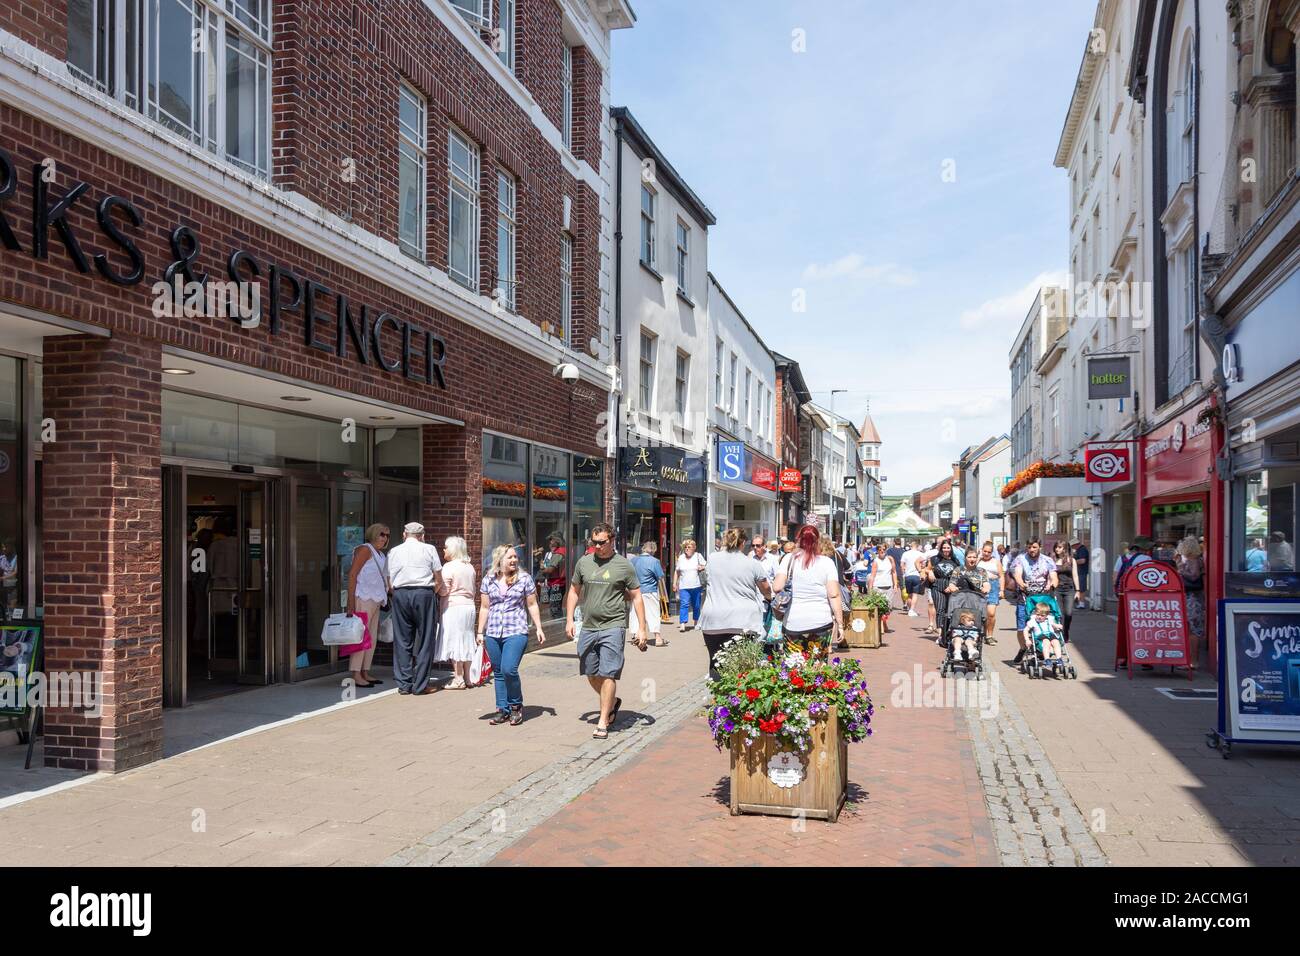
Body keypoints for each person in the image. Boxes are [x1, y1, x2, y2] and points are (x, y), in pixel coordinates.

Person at [567, 522, 647, 739]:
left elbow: (637, 596)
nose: (597, 546)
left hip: (614, 625)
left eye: (601, 542)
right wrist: (569, 620)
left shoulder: (623, 565)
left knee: (608, 673)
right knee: (591, 673)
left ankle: (603, 721)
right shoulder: (584, 562)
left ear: (612, 541)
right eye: (594, 543)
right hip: (589, 626)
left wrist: (641, 628)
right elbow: (574, 592)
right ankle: (611, 702)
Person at [477, 545, 546, 725]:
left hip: (516, 631)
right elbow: (485, 607)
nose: (514, 560)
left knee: (509, 669)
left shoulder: (524, 579)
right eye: (510, 557)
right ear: (500, 560)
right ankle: (502, 709)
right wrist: (479, 631)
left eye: (515, 557)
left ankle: (515, 706)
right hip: (493, 632)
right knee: (498, 672)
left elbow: (531, 604)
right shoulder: (488, 579)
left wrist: (538, 627)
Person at [698, 527, 773, 679]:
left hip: (714, 619)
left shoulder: (712, 559)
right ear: (743, 543)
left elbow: (704, 578)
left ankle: (719, 695)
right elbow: (766, 589)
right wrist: (769, 597)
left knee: (716, 661)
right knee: (743, 664)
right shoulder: (752, 564)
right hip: (743, 621)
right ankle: (736, 698)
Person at [387, 522, 445, 695]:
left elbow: (389, 580)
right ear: (422, 536)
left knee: (402, 639)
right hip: (424, 592)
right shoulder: (429, 549)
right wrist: (431, 592)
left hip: (400, 594)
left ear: (404, 534)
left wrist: (396, 593)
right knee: (426, 639)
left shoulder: (394, 551)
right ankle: (420, 685)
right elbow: (438, 577)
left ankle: (404, 684)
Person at [772, 524, 844, 659]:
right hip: (821, 621)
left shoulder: (789, 559)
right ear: (817, 541)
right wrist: (840, 624)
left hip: (794, 620)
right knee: (818, 665)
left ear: (799, 540)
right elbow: (834, 594)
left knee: (794, 667)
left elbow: (776, 587)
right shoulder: (827, 562)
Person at [344, 523, 391, 688]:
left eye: (387, 535)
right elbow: (352, 575)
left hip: (376, 600)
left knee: (370, 637)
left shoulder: (381, 555)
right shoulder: (365, 549)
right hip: (363, 598)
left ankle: (365, 671)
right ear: (373, 534)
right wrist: (350, 603)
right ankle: (356, 673)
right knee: (361, 637)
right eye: (382, 534)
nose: (385, 538)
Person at [436, 536, 478, 689]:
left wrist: (436, 586)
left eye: (446, 547)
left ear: (452, 550)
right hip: (469, 606)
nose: (444, 550)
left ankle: (458, 678)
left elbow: (443, 591)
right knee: (466, 640)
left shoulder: (448, 567)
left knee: (455, 641)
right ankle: (467, 678)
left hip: (454, 607)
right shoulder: (469, 567)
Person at [1011, 539, 1058, 663]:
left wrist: (1052, 584)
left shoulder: (1048, 560)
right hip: (1025, 597)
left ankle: (1040, 648)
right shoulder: (1020, 559)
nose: (1031, 550)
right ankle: (1023, 648)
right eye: (1029, 547)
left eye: (1034, 547)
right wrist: (1022, 584)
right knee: (1022, 627)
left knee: (1042, 624)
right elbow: (1017, 574)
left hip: (1042, 597)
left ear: (1040, 547)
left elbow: (1054, 576)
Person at [629, 541, 667, 647]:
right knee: (653, 614)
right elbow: (660, 576)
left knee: (636, 614)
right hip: (650, 591)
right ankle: (658, 638)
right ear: (653, 550)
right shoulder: (655, 561)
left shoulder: (634, 560)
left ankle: (637, 636)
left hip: (636, 591)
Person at [1177, 536, 1206, 666]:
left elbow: (1194, 576)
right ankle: (1191, 660)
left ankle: (1193, 661)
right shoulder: (1195, 559)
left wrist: (1181, 571)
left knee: (1192, 629)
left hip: (1192, 598)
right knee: (1191, 628)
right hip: (1193, 597)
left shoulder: (1192, 560)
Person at [923, 539, 960, 637]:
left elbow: (959, 574)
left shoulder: (955, 560)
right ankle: (940, 634)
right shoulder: (934, 559)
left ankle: (948, 632)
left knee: (949, 611)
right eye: (944, 548)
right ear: (941, 548)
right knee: (940, 609)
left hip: (950, 585)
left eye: (948, 548)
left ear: (951, 549)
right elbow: (927, 569)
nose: (946, 550)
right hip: (937, 585)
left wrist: (953, 586)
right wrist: (929, 572)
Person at [1051, 539, 1082, 641]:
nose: (1057, 549)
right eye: (1056, 547)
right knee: (1058, 613)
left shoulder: (1071, 560)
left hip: (1069, 589)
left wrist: (1077, 591)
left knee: (1068, 613)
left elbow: (1075, 576)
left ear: (1064, 549)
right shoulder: (1052, 560)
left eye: (1059, 547)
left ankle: (1066, 630)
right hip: (1057, 589)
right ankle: (1060, 633)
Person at [674, 539, 707, 632]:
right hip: (684, 586)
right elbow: (677, 571)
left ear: (694, 548)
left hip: (696, 585)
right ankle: (682, 624)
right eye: (686, 547)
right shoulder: (681, 558)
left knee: (696, 605)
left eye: (689, 547)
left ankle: (696, 623)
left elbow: (706, 565)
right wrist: (674, 583)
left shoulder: (698, 556)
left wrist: (702, 567)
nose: (687, 549)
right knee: (684, 604)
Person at [976, 540, 1003, 645]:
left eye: (989, 552)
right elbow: (969, 568)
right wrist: (978, 557)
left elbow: (1001, 576)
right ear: (982, 550)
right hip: (980, 587)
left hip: (993, 586)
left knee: (991, 614)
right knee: (980, 613)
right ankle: (979, 633)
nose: (986, 554)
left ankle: (989, 635)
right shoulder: (978, 560)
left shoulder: (996, 561)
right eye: (985, 551)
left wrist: (1001, 590)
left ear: (992, 553)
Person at [870, 541, 898, 633]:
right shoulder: (876, 561)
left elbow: (894, 572)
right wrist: (870, 587)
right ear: (877, 551)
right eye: (880, 550)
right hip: (878, 586)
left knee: (888, 607)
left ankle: (884, 622)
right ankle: (881, 625)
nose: (882, 551)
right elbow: (873, 575)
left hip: (888, 586)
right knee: (879, 607)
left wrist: (895, 585)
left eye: (884, 550)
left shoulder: (890, 559)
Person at [900, 540, 923, 617]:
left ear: (911, 546)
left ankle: (910, 609)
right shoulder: (920, 554)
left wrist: (903, 572)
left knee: (909, 594)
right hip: (917, 575)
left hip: (908, 575)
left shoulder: (905, 553)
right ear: (917, 546)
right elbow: (923, 565)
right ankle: (912, 610)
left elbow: (902, 564)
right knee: (915, 594)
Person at [1073, 541, 1090, 609]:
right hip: (1080, 572)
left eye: (1073, 546)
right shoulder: (1079, 550)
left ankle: (1081, 603)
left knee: (1081, 588)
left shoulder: (1082, 550)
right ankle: (1079, 602)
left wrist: (1073, 562)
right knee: (1079, 588)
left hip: (1081, 572)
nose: (1072, 548)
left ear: (1076, 545)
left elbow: (1082, 560)